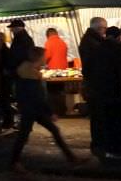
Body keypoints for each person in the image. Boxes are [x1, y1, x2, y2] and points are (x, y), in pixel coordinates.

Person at [9, 42, 78, 172]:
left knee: (49, 131)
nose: (46, 58)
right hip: (31, 109)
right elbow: (38, 97)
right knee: (24, 135)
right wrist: (50, 112)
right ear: (38, 58)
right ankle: (14, 162)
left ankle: (71, 157)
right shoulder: (31, 76)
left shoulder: (27, 72)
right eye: (44, 56)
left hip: (32, 108)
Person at [79, 17, 121, 160]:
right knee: (102, 118)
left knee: (99, 118)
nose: (104, 31)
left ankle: (100, 146)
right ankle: (101, 147)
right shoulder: (94, 44)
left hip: (96, 87)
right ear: (98, 28)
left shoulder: (92, 42)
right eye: (103, 28)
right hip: (101, 88)